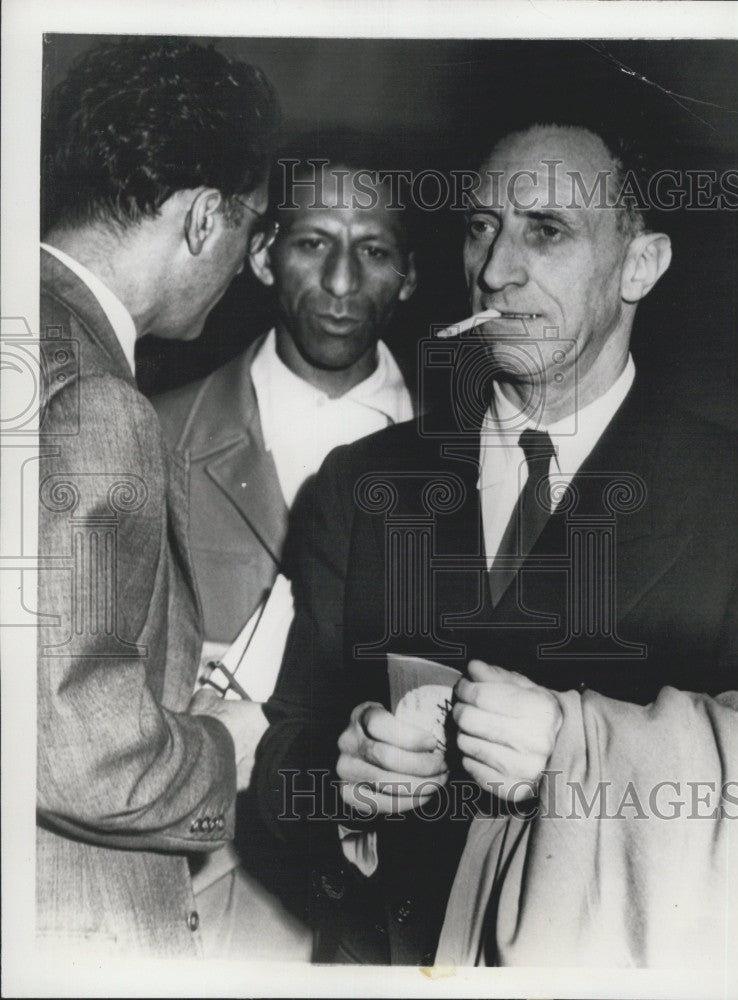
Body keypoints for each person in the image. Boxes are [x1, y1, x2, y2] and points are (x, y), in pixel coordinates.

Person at [252, 124, 738, 964]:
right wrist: (343, 785)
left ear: (641, 265)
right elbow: (287, 750)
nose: (494, 271)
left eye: (546, 231)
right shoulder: (362, 481)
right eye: (482, 227)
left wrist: (576, 750)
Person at [37, 38, 280, 957]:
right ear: (204, 217)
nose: (248, 264)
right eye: (253, 230)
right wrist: (223, 746)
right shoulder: (96, 397)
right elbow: (72, 746)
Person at [152, 138, 418, 958]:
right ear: (263, 257)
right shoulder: (154, 434)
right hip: (202, 882)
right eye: (312, 243)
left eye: (372, 250)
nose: (342, 282)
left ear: (408, 275)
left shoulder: (477, 460)